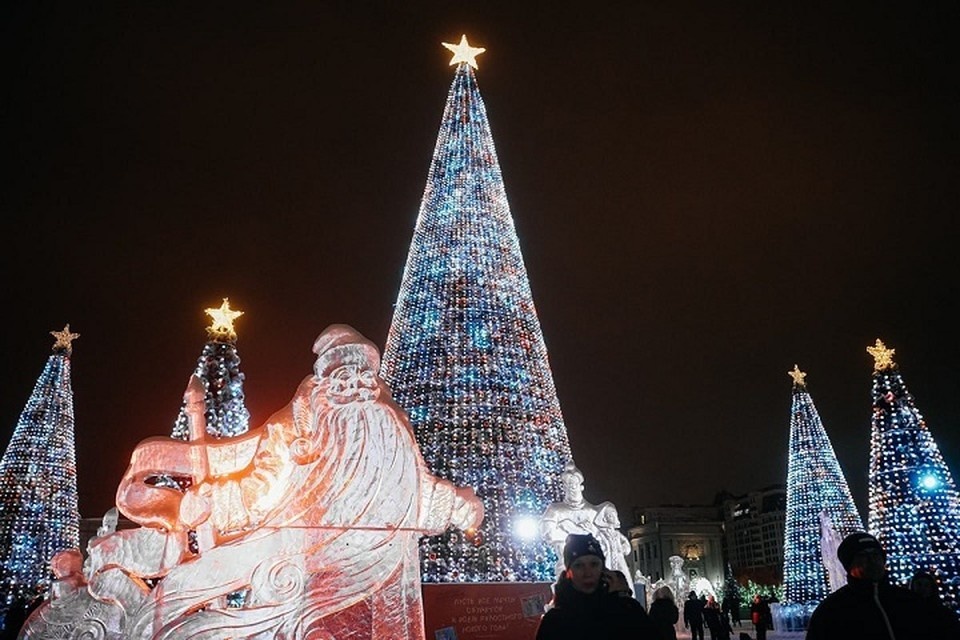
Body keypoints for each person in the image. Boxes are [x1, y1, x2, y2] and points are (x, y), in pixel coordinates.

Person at [806, 532, 954, 639]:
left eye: (876, 554)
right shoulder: (832, 611)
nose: (872, 560)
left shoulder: (909, 601)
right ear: (849, 565)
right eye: (863, 555)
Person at [536, 533, 657, 639]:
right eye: (579, 565)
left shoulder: (624, 608)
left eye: (594, 564)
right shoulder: (555, 620)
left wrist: (622, 600)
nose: (587, 573)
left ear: (603, 568)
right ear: (568, 571)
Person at [910, 570, 960, 635]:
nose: (923, 588)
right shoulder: (907, 610)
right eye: (919, 584)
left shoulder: (944, 613)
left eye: (927, 585)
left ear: (932, 588)